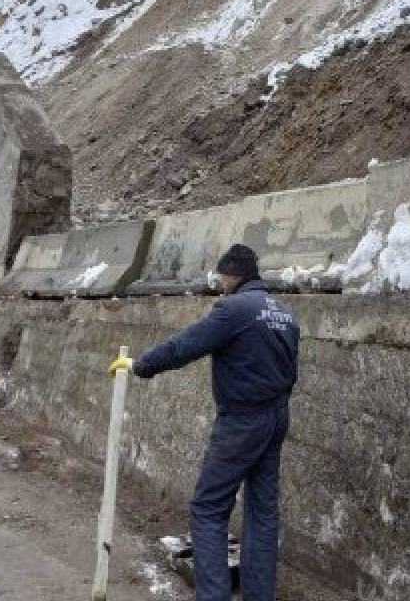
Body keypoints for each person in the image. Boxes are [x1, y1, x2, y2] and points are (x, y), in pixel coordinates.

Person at [109, 244, 299, 601]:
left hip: (242, 421)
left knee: (208, 509)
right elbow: (291, 373)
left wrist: (140, 365)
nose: (220, 283)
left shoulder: (233, 309)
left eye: (221, 276)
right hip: (276, 418)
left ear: (233, 275)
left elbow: (184, 345)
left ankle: (213, 595)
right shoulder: (285, 313)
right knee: (262, 513)